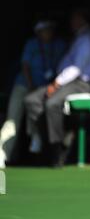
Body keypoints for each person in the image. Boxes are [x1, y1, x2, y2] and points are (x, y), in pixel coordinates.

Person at [24, 10, 90, 167]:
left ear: (82, 18)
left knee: (52, 104)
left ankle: (56, 149)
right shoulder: (77, 37)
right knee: (31, 100)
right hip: (66, 82)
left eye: (74, 17)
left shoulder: (87, 39)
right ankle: (47, 139)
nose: (71, 21)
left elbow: (76, 69)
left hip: (80, 84)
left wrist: (56, 84)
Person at [0, 21, 65, 169]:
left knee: (38, 106)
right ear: (38, 33)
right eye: (43, 30)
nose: (47, 33)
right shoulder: (31, 44)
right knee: (12, 119)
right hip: (23, 85)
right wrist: (30, 87)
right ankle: (2, 153)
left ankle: (36, 137)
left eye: (49, 29)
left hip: (43, 88)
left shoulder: (59, 45)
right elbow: (25, 66)